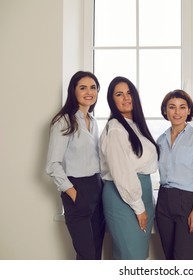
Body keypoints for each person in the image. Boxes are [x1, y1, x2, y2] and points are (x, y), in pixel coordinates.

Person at [46, 71, 105, 260]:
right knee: (86, 253)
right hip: (77, 189)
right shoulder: (64, 121)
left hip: (97, 187)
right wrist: (73, 193)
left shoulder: (94, 122)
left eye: (93, 87)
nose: (89, 92)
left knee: (96, 251)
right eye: (83, 87)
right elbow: (52, 164)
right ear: (73, 91)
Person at [99, 76, 159, 260]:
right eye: (119, 94)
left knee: (138, 255)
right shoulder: (116, 128)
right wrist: (138, 206)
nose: (126, 98)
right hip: (125, 197)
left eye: (129, 93)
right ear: (112, 100)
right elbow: (121, 172)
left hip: (142, 194)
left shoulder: (136, 126)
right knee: (131, 257)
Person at [155, 89, 193, 260]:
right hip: (164, 200)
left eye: (182, 107)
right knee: (169, 257)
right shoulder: (160, 140)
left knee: (183, 259)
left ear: (189, 110)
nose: (177, 112)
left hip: (188, 201)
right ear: (165, 111)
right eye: (172, 107)